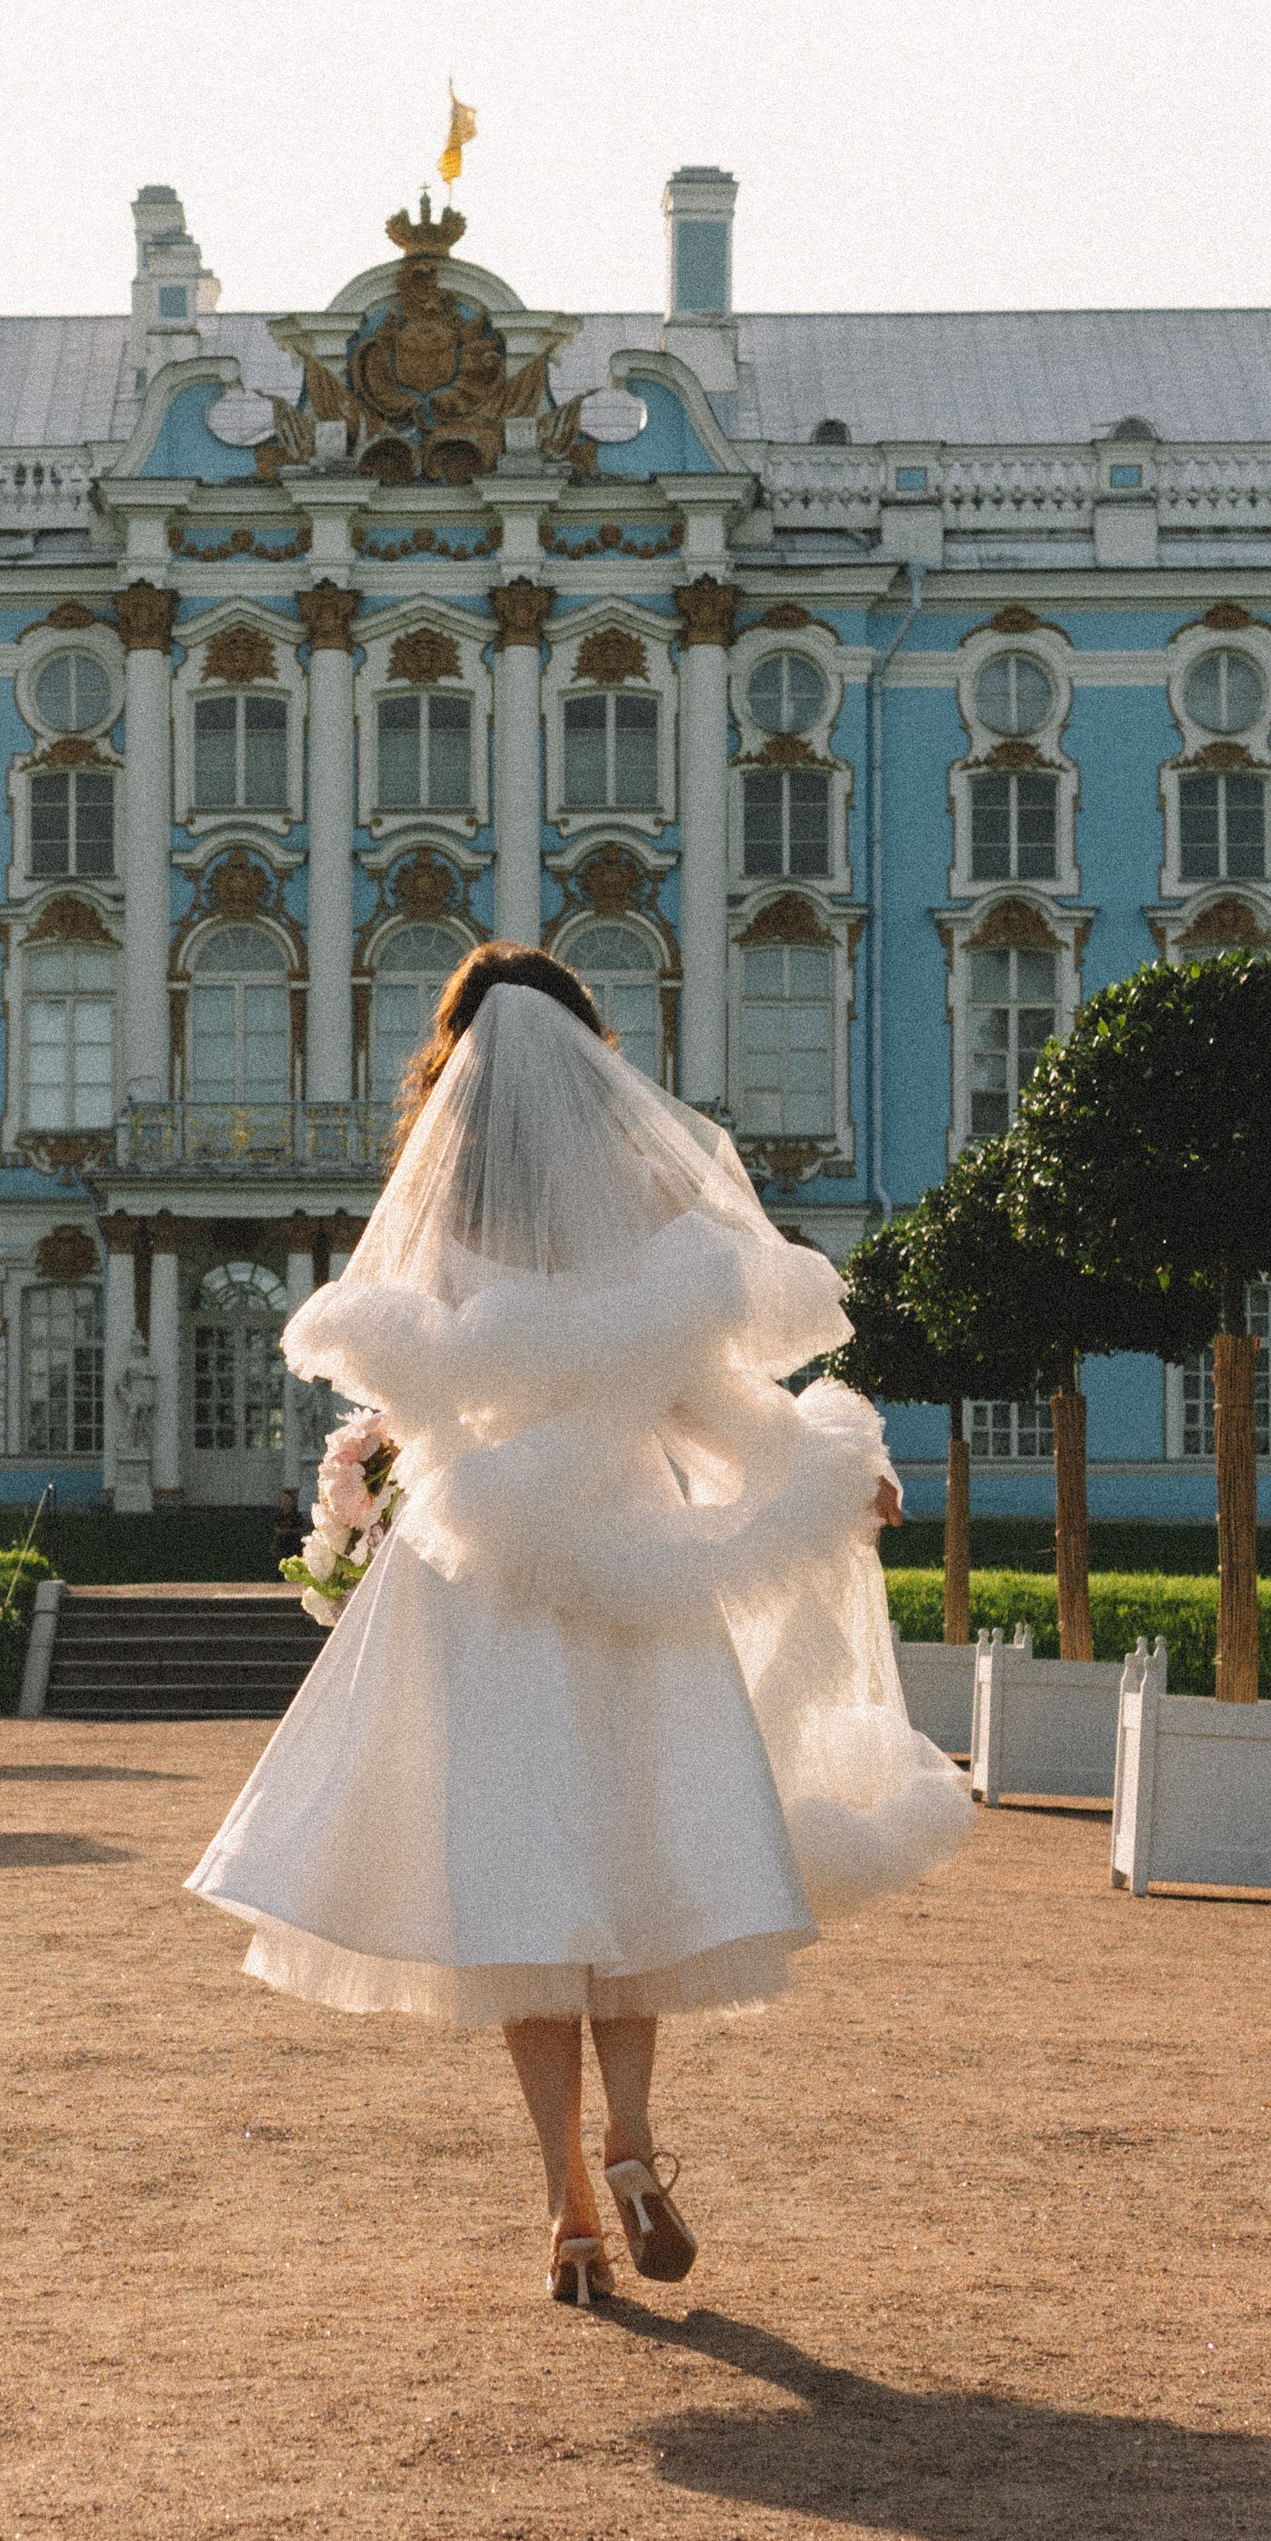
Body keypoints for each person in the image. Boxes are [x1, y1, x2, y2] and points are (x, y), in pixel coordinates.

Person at [187, 946, 970, 2307]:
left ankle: (564, 2212)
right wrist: (838, 1475)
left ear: (454, 1071)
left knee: (521, 1897)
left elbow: (421, 1405)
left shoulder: (444, 1223)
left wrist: (388, 1469)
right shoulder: (646, 1235)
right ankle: (636, 2141)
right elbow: (714, 1404)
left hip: (487, 1594)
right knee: (641, 1871)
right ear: (595, 1060)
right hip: (639, 1577)